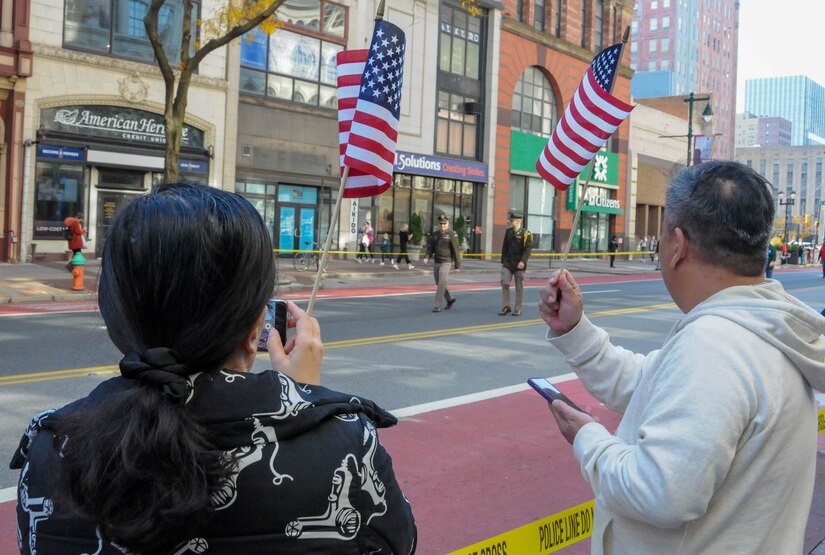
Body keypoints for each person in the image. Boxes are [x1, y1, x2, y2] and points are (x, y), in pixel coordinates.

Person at [10, 183, 416, 554]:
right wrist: (302, 407)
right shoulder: (345, 442)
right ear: (257, 325)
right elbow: (399, 543)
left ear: (115, 314)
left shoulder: (50, 449)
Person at [537, 161, 825, 554]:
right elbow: (651, 385)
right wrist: (576, 332)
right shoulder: (764, 326)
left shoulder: (714, 346)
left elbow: (659, 492)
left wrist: (588, 439)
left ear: (678, 245)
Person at [423, 214, 461, 312]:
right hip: (437, 261)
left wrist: (457, 265)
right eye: (441, 224)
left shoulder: (452, 234)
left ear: (447, 224)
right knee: (439, 282)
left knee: (441, 282)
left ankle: (437, 305)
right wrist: (427, 256)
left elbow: (456, 250)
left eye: (444, 224)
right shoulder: (435, 234)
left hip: (446, 262)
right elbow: (430, 247)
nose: (442, 225)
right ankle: (450, 299)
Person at [499, 211, 532, 316]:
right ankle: (506, 306)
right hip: (508, 262)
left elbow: (528, 249)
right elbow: (505, 247)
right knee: (504, 282)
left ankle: (517, 308)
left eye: (512, 220)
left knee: (519, 286)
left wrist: (523, 261)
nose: (510, 221)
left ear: (518, 221)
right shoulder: (508, 232)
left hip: (519, 263)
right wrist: (503, 261)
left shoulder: (526, 233)